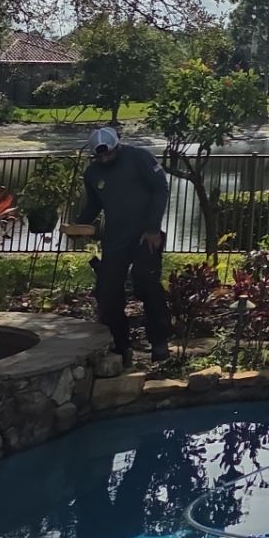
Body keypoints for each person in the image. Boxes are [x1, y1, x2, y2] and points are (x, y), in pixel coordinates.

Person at [73, 125, 172, 364]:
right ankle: (121, 345)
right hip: (115, 239)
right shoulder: (93, 173)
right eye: (100, 156)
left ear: (118, 145)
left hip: (145, 236)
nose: (105, 159)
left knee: (146, 282)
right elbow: (94, 205)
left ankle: (159, 342)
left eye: (109, 154)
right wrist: (78, 225)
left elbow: (160, 188)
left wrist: (152, 228)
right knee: (107, 293)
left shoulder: (139, 157)